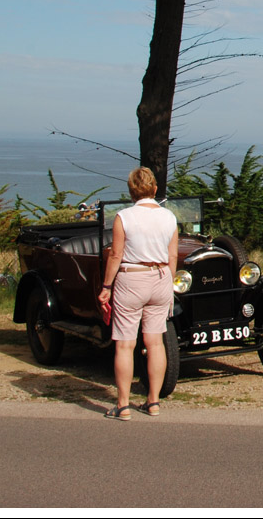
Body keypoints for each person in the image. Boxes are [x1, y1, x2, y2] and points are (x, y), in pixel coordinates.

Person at [98, 167, 179, 420]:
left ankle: (123, 405)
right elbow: (173, 255)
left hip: (132, 277)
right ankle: (153, 401)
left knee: (125, 343)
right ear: (154, 189)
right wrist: (168, 282)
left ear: (131, 191)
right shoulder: (169, 217)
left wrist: (106, 286)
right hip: (161, 276)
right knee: (155, 342)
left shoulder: (124, 216)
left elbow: (116, 254)